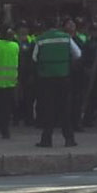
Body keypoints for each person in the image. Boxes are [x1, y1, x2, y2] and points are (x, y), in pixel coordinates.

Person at [32, 17, 81, 148]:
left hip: (46, 78)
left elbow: (34, 58)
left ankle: (46, 140)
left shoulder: (40, 39)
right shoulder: (66, 38)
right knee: (65, 108)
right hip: (64, 77)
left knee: (48, 108)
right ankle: (69, 139)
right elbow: (78, 54)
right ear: (58, 25)